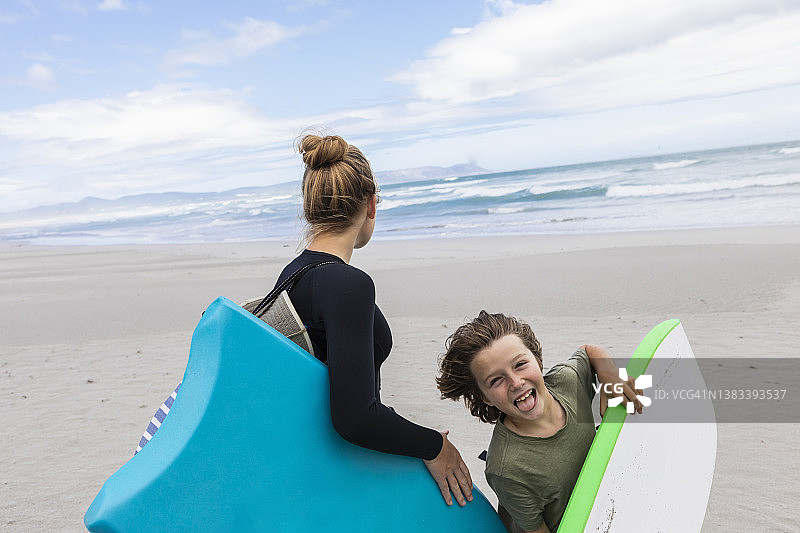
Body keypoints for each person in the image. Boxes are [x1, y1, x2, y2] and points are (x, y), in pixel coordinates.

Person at [272, 132, 473, 507]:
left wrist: (402, 433)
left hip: (310, 457)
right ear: (371, 205)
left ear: (310, 207)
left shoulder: (293, 275)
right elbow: (355, 419)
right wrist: (436, 446)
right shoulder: (347, 284)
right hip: (334, 471)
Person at [436, 311, 641, 532]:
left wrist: (608, 372)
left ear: (537, 359)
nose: (516, 382)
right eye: (496, 380)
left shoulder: (568, 382)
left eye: (520, 364)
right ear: (484, 397)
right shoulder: (507, 469)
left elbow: (588, 351)